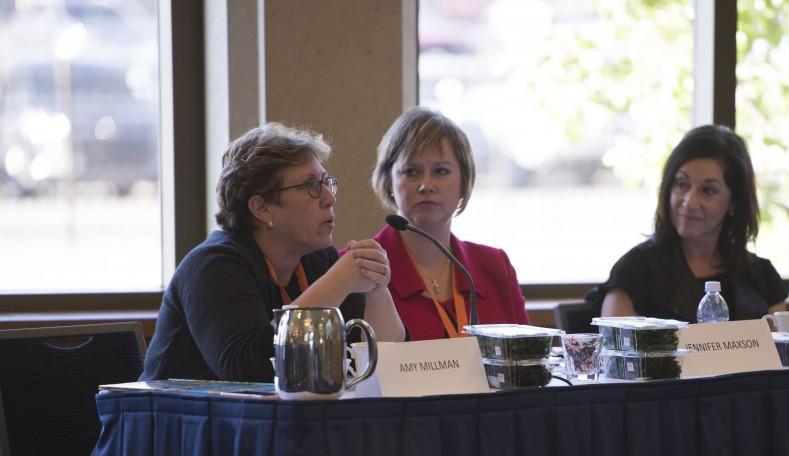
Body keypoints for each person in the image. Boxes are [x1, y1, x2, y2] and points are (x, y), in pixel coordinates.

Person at [142, 122, 405, 382]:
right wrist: (337, 284)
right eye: (310, 185)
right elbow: (247, 368)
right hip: (173, 419)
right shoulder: (213, 266)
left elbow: (384, 362)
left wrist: (378, 290)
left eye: (326, 182)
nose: (329, 198)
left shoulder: (316, 261)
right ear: (262, 208)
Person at [369, 106, 530, 341]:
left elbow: (525, 364)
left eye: (441, 171)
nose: (426, 185)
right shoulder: (362, 267)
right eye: (411, 172)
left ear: (464, 180)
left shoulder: (495, 266)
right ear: (388, 181)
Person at [599, 125, 786, 322]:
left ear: (734, 201)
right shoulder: (635, 269)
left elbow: (781, 351)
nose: (690, 202)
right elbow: (615, 345)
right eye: (682, 184)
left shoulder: (761, 277)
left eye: (708, 190)